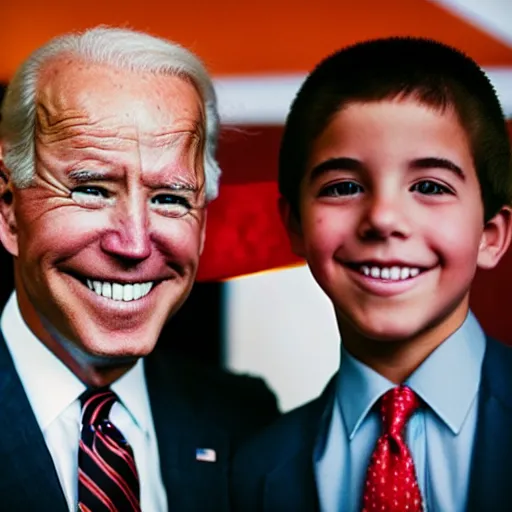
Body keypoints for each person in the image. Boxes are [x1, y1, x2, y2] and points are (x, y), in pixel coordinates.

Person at [0, 26, 278, 512]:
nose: (133, 243)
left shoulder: (246, 422)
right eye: (92, 190)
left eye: (170, 199)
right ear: (8, 209)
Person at [231, 37, 512, 512]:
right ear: (295, 227)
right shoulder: (254, 470)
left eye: (428, 186)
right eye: (343, 187)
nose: (382, 218)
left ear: (490, 235)